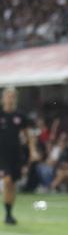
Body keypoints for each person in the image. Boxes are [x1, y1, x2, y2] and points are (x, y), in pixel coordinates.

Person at [0, 87, 29, 225]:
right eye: (8, 96)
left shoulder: (20, 116)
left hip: (16, 154)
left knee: (12, 184)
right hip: (2, 154)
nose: (10, 99)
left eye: (12, 97)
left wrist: (33, 149)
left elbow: (27, 133)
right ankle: (7, 213)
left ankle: (9, 213)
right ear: (3, 98)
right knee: (7, 180)